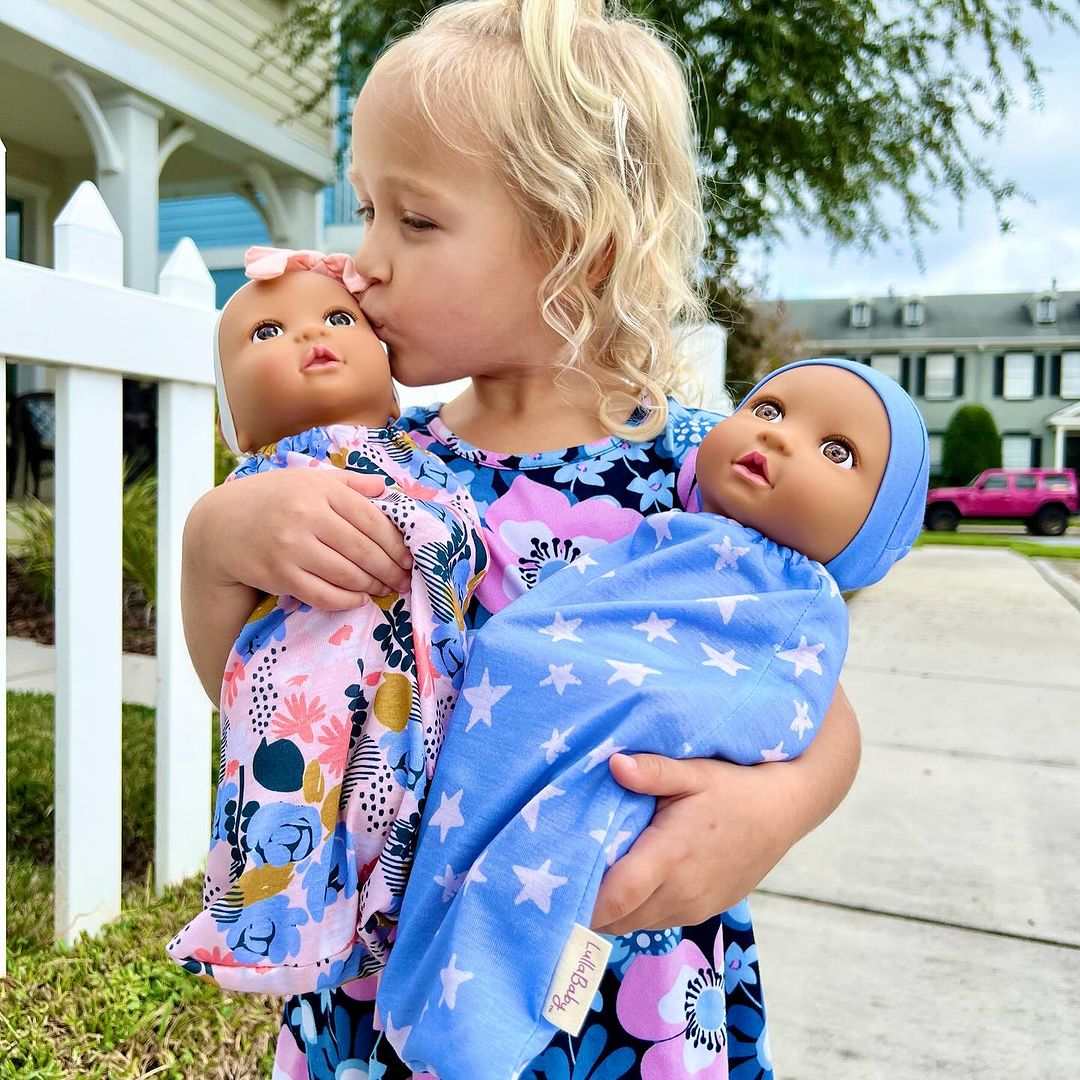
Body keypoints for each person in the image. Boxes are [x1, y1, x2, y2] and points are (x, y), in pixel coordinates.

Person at [180, 1, 864, 1075]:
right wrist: (217, 545)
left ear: (573, 243)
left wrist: (774, 808)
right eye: (366, 212)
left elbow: (814, 693)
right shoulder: (367, 469)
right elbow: (248, 684)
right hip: (390, 964)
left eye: (415, 220)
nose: (365, 263)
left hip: (616, 984)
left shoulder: (702, 478)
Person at [377, 358, 929, 1078]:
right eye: (767, 409)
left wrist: (774, 803)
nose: (782, 438)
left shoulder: (782, 589)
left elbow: (784, 708)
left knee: (526, 909)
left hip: (625, 910)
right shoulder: (377, 457)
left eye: (838, 452)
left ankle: (473, 1034)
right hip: (458, 795)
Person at [168, 247, 488, 995]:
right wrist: (217, 531)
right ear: (234, 422)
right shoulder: (263, 487)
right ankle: (286, 928)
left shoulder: (429, 454)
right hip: (312, 718)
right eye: (266, 333)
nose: (311, 336)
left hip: (423, 713)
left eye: (338, 317)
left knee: (411, 832)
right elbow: (227, 674)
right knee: (298, 819)